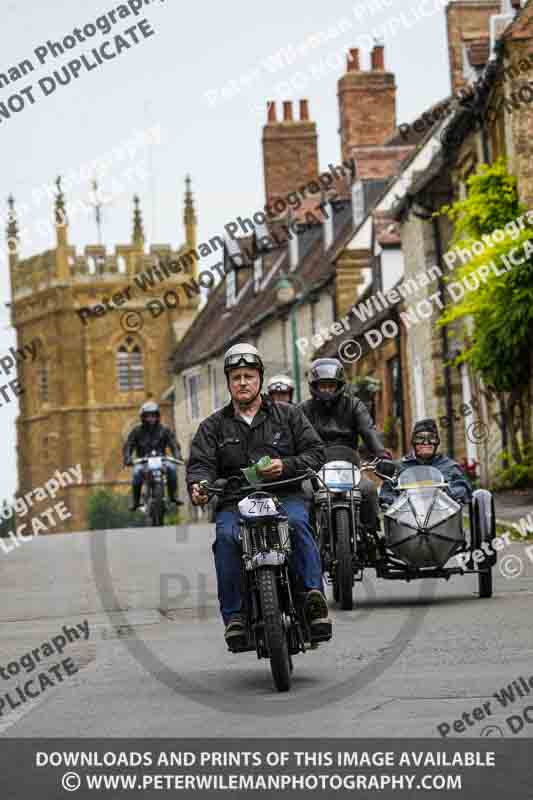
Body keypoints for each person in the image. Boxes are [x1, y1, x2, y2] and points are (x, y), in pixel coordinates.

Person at [187, 343, 331, 645]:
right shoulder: (212, 427)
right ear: (228, 382)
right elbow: (200, 464)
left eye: (248, 376)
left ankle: (312, 600)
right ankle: (236, 617)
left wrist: (286, 466)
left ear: (259, 379)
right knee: (226, 539)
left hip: (285, 495)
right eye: (236, 377)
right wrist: (199, 486)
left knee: (298, 525)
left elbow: (316, 452)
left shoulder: (289, 415)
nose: (242, 382)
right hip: (234, 502)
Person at [299, 358, 389, 532]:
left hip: (350, 467)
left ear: (339, 385)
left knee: (369, 490)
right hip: (316, 469)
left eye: (330, 385)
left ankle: (370, 535)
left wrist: (382, 454)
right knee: (305, 493)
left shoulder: (354, 405)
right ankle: (308, 539)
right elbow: (296, 438)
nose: (326, 390)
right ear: (314, 386)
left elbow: (368, 430)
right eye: (322, 385)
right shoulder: (304, 409)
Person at [380, 418, 472, 507]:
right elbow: (386, 493)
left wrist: (449, 493)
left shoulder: (450, 466)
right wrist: (394, 501)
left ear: (437, 442)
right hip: (407, 517)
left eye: (431, 438)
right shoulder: (399, 467)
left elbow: (463, 488)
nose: (425, 443)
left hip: (443, 516)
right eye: (420, 438)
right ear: (413, 442)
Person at [123, 401, 182, 510]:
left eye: (153, 415)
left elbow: (173, 443)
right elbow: (129, 445)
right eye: (148, 416)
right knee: (136, 474)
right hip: (143, 460)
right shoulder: (136, 431)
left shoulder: (164, 429)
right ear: (143, 417)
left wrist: (177, 455)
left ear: (157, 416)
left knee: (172, 469)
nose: (151, 418)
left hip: (162, 459)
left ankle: (173, 496)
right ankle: (135, 501)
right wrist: (127, 457)